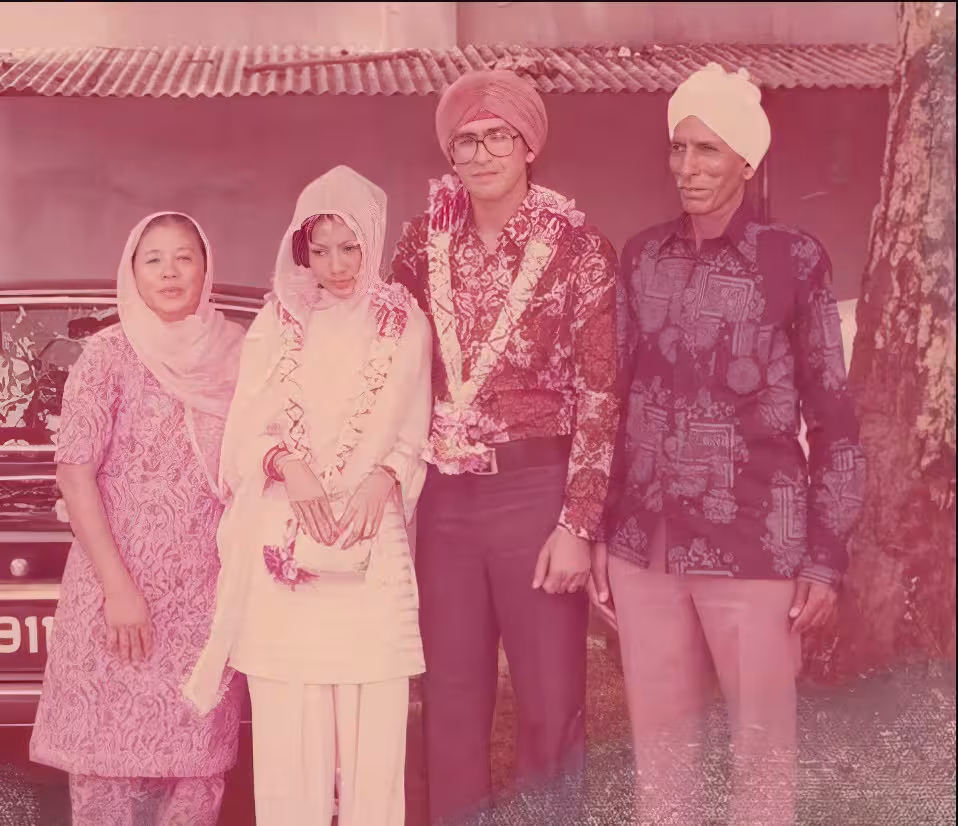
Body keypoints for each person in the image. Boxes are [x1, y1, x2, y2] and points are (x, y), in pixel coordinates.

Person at [595, 63, 867, 825]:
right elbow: (614, 402)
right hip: (645, 548)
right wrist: (599, 527)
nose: (688, 168)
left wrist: (826, 554)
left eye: (708, 151)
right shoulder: (642, 257)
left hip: (756, 545)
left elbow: (834, 416)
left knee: (761, 769)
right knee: (663, 764)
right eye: (679, 149)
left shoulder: (794, 260)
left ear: (747, 161)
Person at [390, 70, 619, 823]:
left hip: (535, 493)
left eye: (499, 137)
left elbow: (601, 392)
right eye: (466, 139)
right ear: (449, 153)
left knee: (551, 700)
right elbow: (382, 354)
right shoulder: (422, 244)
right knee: (450, 700)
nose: (482, 152)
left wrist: (577, 524)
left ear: (528, 146)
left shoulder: (579, 248)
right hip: (447, 502)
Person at [185, 166, 431, 826]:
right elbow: (240, 441)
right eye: (319, 249)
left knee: (374, 736)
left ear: (372, 242)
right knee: (289, 739)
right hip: (284, 548)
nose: (336, 264)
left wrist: (386, 476)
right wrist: (285, 463)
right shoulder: (277, 322)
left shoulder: (405, 322)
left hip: (366, 541)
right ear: (301, 250)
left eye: (349, 247)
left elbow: (416, 429)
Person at [30, 212, 246, 826]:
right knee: (110, 770)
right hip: (119, 595)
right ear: (132, 271)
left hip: (207, 598)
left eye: (184, 256)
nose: (171, 270)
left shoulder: (239, 354)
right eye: (153, 258)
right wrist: (118, 590)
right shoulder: (107, 355)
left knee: (195, 773)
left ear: (206, 268)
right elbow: (74, 474)